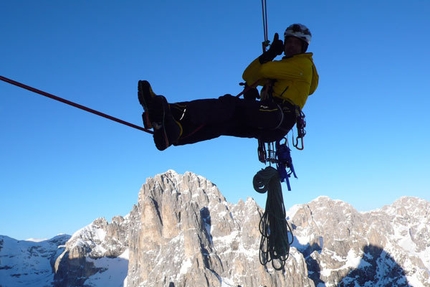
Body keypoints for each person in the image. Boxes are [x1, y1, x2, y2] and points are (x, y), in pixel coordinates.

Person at [138, 23, 319, 151]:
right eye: (289, 42)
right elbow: (248, 75)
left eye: (296, 43)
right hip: (273, 125)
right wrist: (269, 56)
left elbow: (264, 70)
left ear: (303, 47)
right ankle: (174, 135)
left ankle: (168, 110)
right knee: (221, 125)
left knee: (228, 105)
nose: (291, 46)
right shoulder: (285, 72)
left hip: (276, 114)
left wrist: (270, 55)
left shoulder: (302, 65)